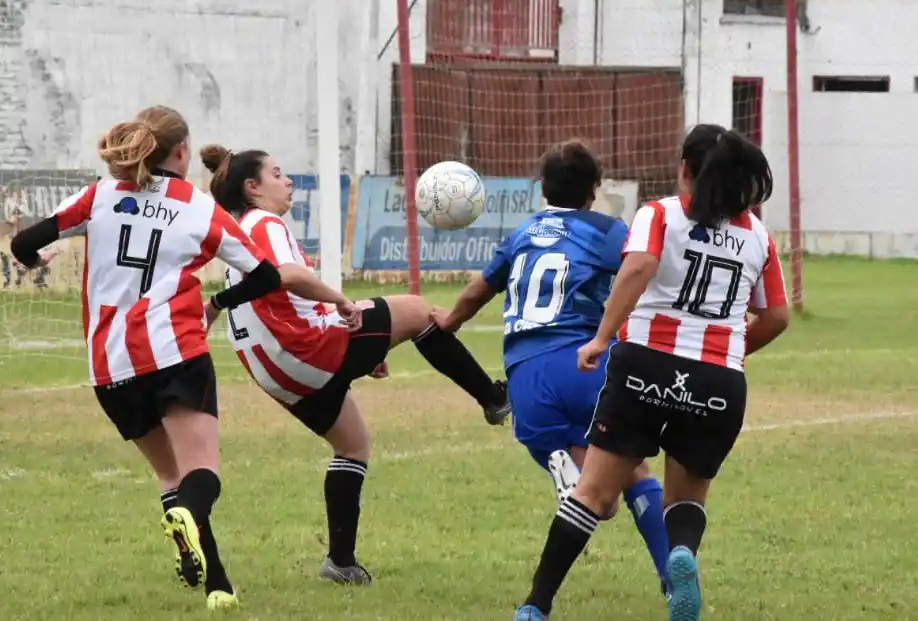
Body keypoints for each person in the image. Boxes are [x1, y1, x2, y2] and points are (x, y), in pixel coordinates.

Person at [8, 106, 360, 612]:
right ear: (180, 152)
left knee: (171, 477)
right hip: (175, 351)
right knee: (203, 475)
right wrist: (217, 297)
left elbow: (23, 242)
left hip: (110, 367)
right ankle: (192, 527)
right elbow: (264, 275)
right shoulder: (197, 207)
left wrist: (35, 260)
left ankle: (214, 580)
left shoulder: (99, 196)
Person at [511, 124, 791, 621]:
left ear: (685, 168)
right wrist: (732, 351)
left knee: (592, 491)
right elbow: (777, 316)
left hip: (645, 364)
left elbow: (639, 267)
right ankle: (680, 552)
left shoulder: (660, 214)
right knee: (686, 497)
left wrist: (600, 338)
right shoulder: (758, 236)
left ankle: (536, 605)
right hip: (718, 381)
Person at [199, 143, 512, 586]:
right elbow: (287, 276)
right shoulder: (263, 222)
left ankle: (340, 563)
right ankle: (495, 398)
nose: (287, 181)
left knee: (353, 446)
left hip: (275, 370)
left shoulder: (240, 230)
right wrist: (343, 301)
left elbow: (274, 298)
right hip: (305, 349)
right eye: (277, 173)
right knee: (421, 313)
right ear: (252, 188)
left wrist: (363, 350)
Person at [435, 140, 673, 597]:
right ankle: (671, 577)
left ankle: (564, 471)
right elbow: (642, 270)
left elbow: (476, 292)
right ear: (594, 190)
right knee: (633, 473)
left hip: (525, 375)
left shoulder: (523, 234)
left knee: (594, 496)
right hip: (586, 365)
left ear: (542, 188)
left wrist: (449, 322)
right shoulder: (607, 230)